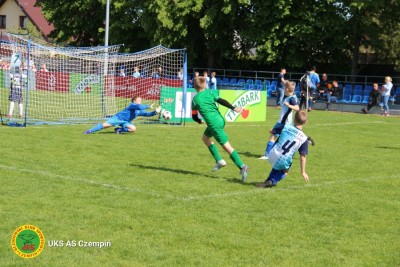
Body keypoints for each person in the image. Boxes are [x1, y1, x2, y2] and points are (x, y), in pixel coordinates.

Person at [191, 76, 249, 182]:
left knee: (227, 147)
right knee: (205, 138)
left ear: (194, 86)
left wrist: (199, 121)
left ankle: (242, 166)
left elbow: (194, 116)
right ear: (205, 85)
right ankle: (219, 160)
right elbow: (222, 101)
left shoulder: (195, 99)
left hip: (213, 125)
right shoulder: (210, 93)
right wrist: (233, 108)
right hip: (220, 120)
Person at [257, 110, 310, 188]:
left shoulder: (286, 126)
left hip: (272, 154)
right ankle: (272, 181)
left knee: (277, 166)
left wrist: (273, 130)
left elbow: (272, 131)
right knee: (285, 171)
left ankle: (267, 181)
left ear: (294, 119)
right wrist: (303, 172)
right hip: (283, 159)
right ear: (305, 122)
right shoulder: (304, 139)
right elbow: (303, 157)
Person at [260, 81, 299, 160]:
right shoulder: (288, 96)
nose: (283, 89)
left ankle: (267, 155)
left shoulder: (291, 98)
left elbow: (297, 108)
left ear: (287, 89)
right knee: (283, 138)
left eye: (285, 88)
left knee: (273, 135)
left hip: (284, 123)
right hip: (282, 122)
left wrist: (289, 105)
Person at [84, 96, 161, 134]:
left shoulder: (139, 111)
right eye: (139, 101)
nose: (140, 102)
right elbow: (140, 106)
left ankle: (119, 130)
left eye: (141, 101)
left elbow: (147, 114)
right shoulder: (132, 105)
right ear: (134, 101)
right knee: (105, 126)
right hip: (118, 118)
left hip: (125, 122)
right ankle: (90, 131)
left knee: (133, 129)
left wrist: (155, 112)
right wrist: (148, 106)